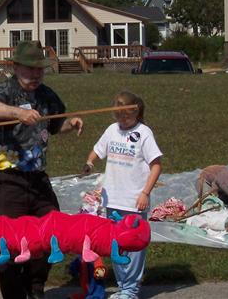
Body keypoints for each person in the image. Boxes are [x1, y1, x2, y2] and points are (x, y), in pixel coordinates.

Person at [0, 40, 83, 299]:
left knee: (53, 233)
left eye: (40, 69)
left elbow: (54, 125)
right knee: (6, 244)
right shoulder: (6, 90)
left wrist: (70, 124)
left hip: (37, 178)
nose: (36, 75)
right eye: (29, 69)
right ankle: (16, 294)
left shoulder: (47, 95)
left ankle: (35, 286)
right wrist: (18, 112)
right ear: (16, 67)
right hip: (5, 179)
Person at [83, 91, 162, 299]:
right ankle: (122, 287)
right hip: (112, 200)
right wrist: (90, 162)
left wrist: (145, 193)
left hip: (134, 201)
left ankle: (131, 289)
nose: (123, 121)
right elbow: (97, 151)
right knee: (117, 246)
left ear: (136, 113)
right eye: (119, 117)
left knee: (134, 248)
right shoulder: (112, 130)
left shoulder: (144, 133)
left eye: (127, 117)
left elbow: (156, 166)